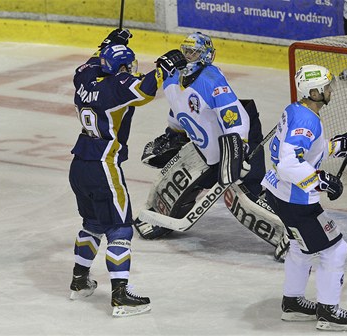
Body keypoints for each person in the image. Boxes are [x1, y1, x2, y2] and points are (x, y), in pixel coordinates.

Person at [68, 28, 186, 317]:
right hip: (104, 166)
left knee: (92, 224)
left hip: (79, 164)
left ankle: (79, 281)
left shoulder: (85, 77)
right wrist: (162, 69)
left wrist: (110, 44)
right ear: (121, 67)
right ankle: (120, 296)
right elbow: (144, 90)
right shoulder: (117, 87)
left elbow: (93, 62)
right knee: (120, 228)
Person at [134, 32, 284, 252]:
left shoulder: (211, 81)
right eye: (185, 51)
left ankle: (289, 235)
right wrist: (173, 134)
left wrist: (238, 151)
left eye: (193, 53)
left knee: (245, 195)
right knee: (177, 179)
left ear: (205, 56)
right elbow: (178, 108)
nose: (187, 57)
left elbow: (237, 119)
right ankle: (161, 215)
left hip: (237, 139)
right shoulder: (172, 78)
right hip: (208, 143)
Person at [261, 65, 347, 331]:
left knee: (300, 246)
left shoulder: (297, 110)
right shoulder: (307, 120)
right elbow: (288, 164)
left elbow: (309, 150)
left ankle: (293, 302)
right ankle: (328, 312)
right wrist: (322, 181)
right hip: (294, 201)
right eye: (327, 87)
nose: (331, 90)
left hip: (278, 192)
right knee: (335, 248)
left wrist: (342, 145)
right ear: (315, 91)